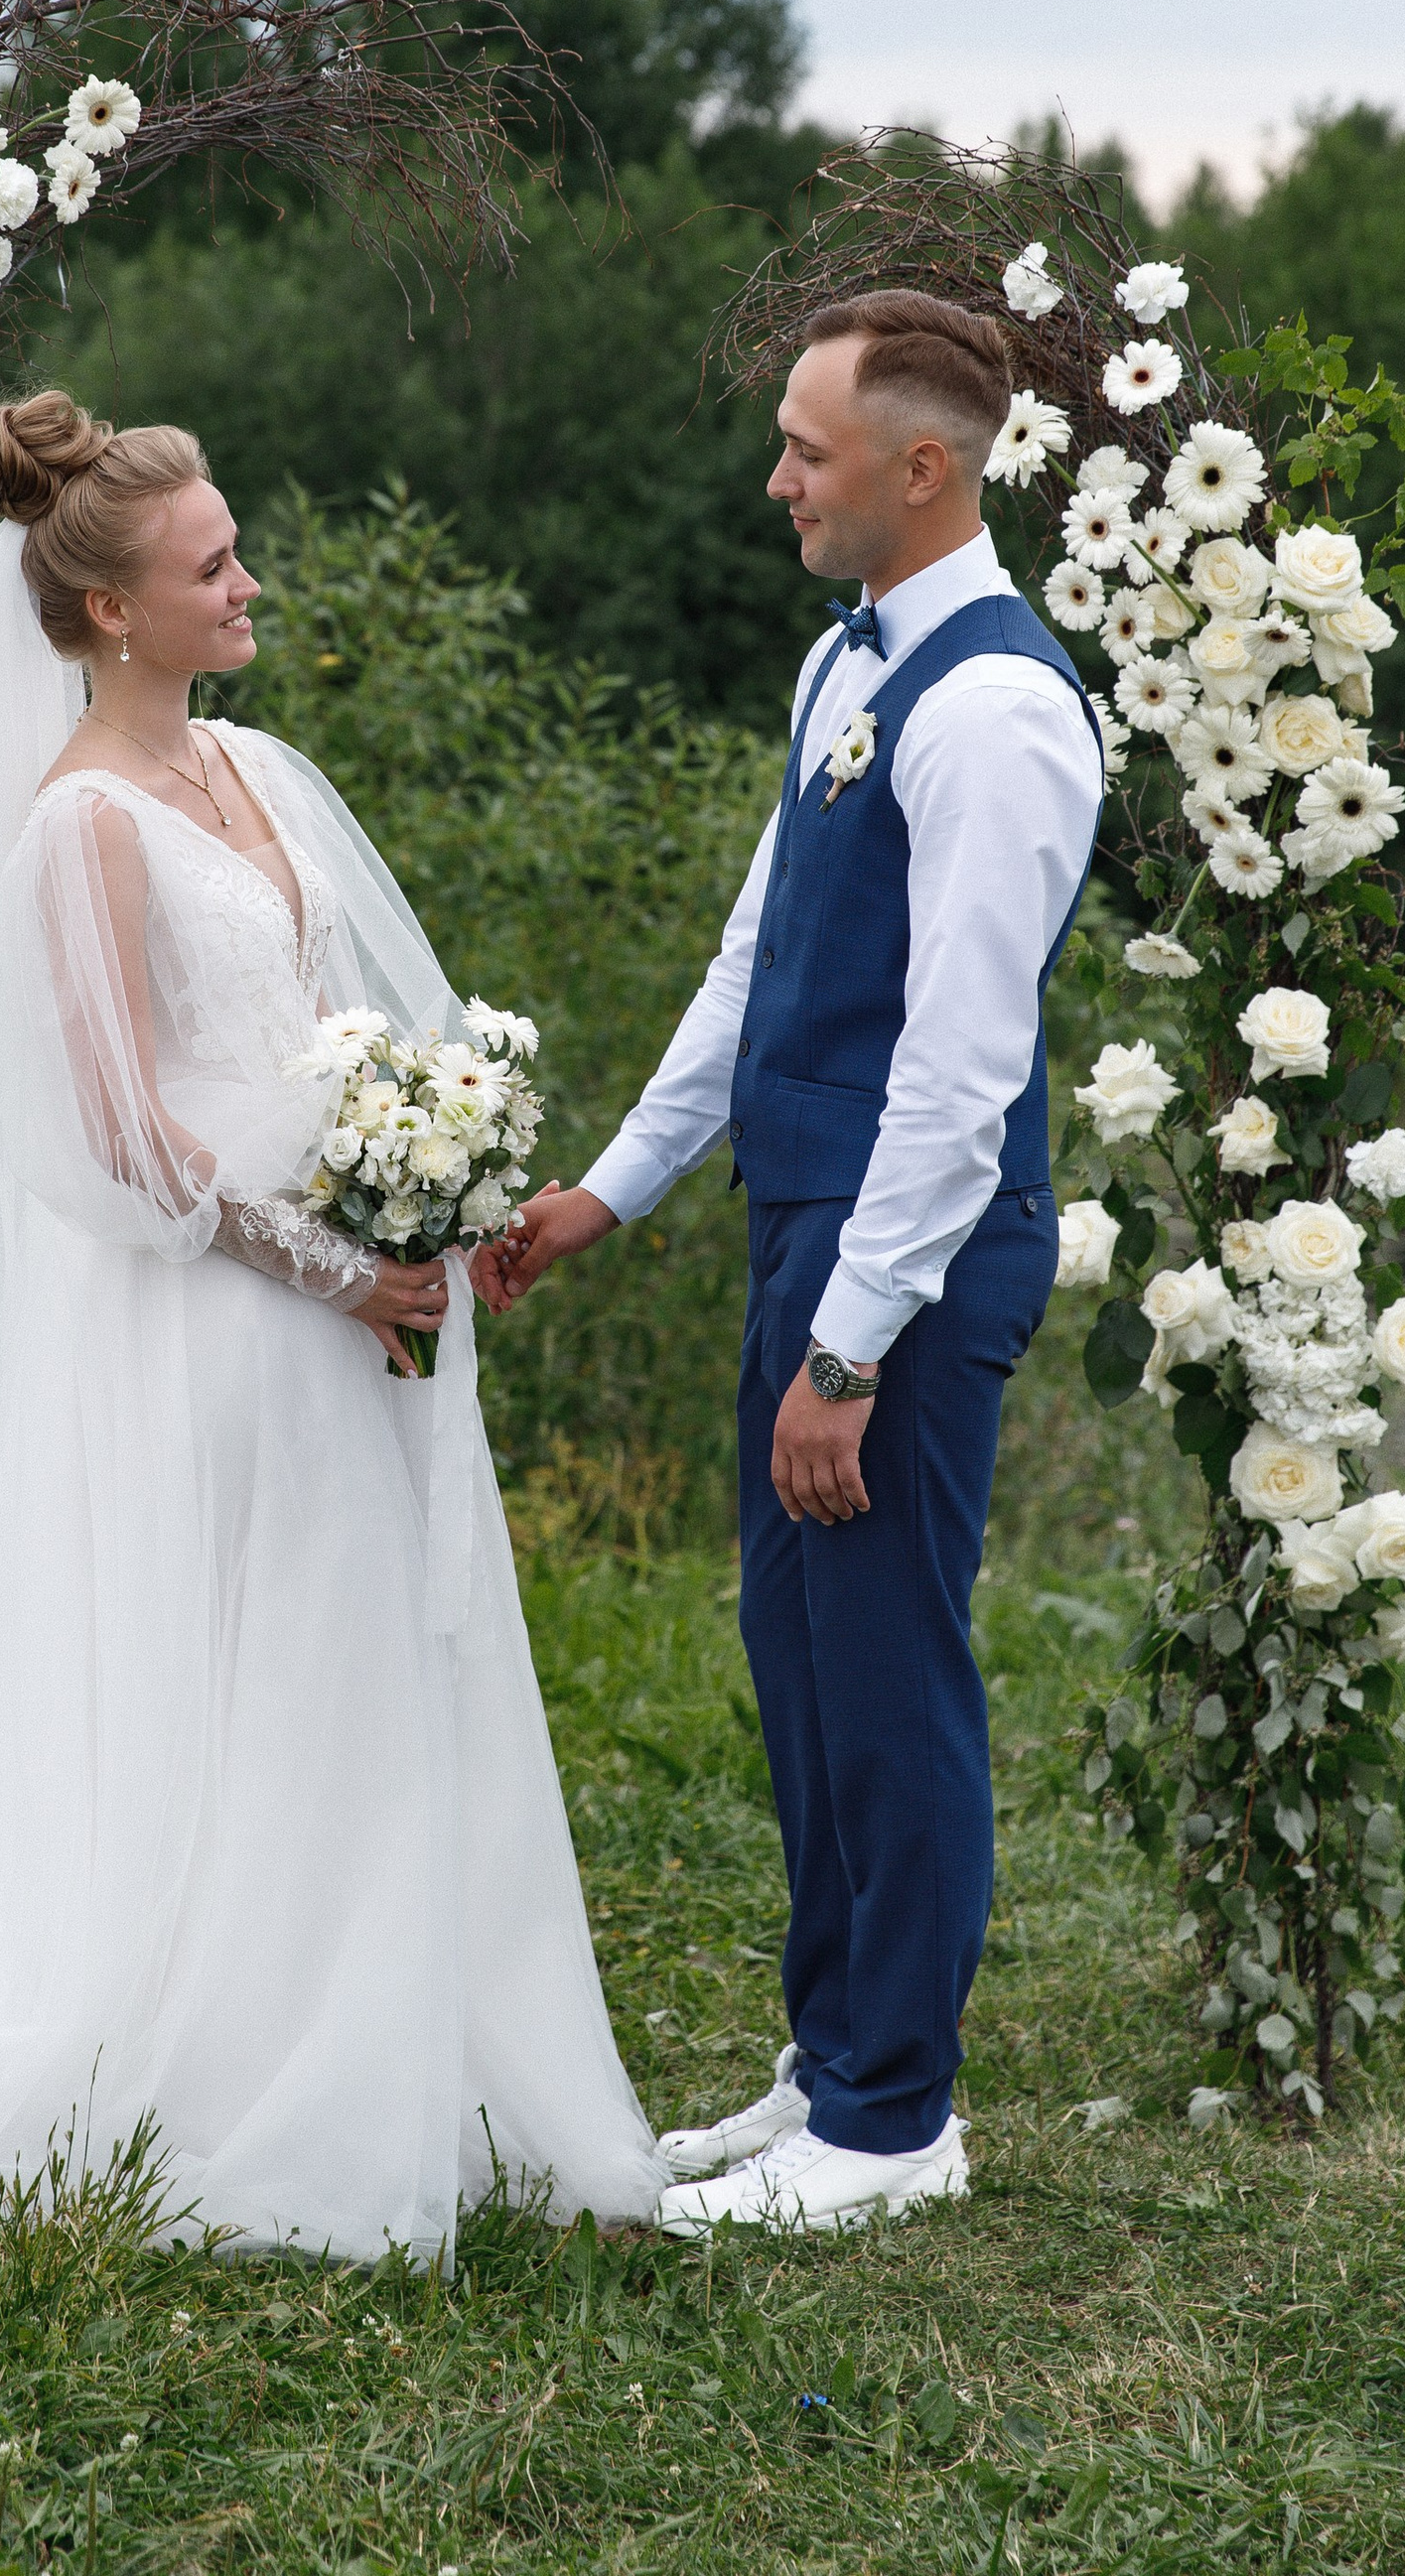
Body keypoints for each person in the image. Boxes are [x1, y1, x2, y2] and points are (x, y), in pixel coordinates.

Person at [0, 391, 661, 2255]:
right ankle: (239, 2071)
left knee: (372, 1659)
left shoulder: (262, 773)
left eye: (235, 551)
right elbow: (113, 1137)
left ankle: (421, 2045)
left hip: (356, 1297)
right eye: (213, 568)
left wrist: (434, 1176)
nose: (248, 583)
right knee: (246, 1670)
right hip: (216, 1325)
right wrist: (338, 1267)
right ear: (109, 614)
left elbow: (344, 1039)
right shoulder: (77, 834)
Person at [479, 291, 1102, 2233]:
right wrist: (610, 1188)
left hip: (905, 1260)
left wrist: (846, 1353)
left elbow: (959, 1062)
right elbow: (757, 967)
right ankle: (831, 2063)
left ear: (921, 470)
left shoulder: (996, 710)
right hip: (808, 1231)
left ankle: (894, 2123)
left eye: (803, 450)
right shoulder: (843, 667)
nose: (773, 478)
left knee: (884, 1665)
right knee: (799, 1660)